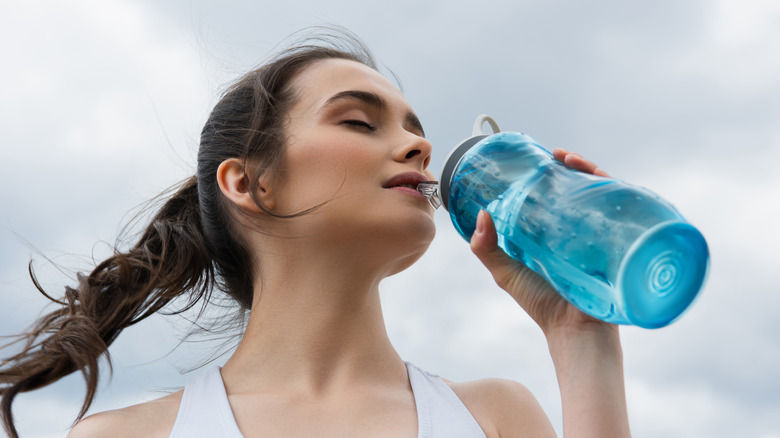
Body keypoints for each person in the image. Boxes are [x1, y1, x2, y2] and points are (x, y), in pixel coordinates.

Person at [1, 32, 629, 437]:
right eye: (359, 122)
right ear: (250, 183)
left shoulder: (496, 416)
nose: (420, 145)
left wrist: (583, 341)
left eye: (415, 129)